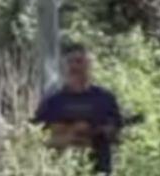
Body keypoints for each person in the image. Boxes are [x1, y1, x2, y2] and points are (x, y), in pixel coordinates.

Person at [34, 43, 123, 175]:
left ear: (89, 65)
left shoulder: (105, 99)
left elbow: (116, 133)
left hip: (98, 168)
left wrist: (101, 131)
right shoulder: (53, 102)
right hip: (62, 169)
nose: (75, 66)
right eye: (70, 62)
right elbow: (38, 138)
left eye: (80, 61)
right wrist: (68, 138)